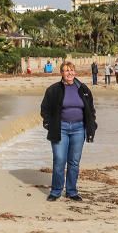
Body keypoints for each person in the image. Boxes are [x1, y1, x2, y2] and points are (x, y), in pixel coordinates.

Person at [40, 61, 97, 202]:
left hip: (79, 129)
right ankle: (56, 191)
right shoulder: (53, 90)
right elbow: (44, 109)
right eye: (66, 71)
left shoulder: (83, 89)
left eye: (71, 70)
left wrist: (91, 124)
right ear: (61, 73)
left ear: (75, 72)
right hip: (61, 129)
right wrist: (48, 123)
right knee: (59, 160)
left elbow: (90, 109)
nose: (69, 73)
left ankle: (71, 191)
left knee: (74, 161)